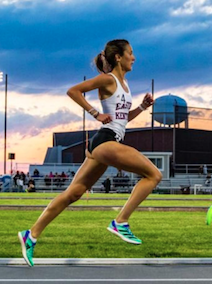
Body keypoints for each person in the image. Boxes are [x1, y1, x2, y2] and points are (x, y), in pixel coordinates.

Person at [18, 39, 162, 266]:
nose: (134, 58)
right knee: (154, 175)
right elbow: (73, 91)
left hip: (105, 143)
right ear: (118, 57)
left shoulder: (124, 85)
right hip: (106, 142)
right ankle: (121, 222)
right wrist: (95, 113)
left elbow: (121, 121)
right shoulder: (108, 79)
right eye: (131, 53)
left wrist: (142, 108)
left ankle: (31, 234)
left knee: (74, 194)